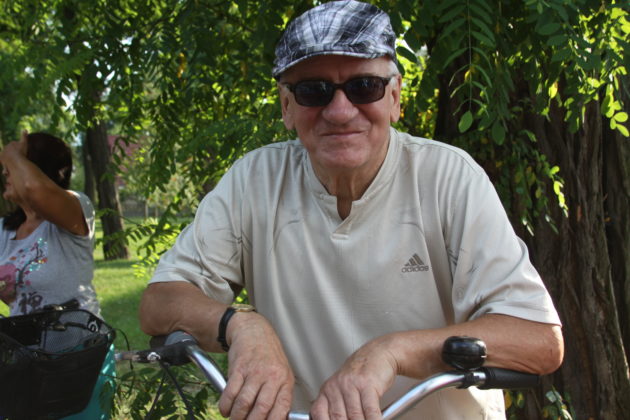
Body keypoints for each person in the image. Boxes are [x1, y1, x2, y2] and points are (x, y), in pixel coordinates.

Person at [139, 1, 564, 419]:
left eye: (365, 87)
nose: (340, 112)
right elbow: (159, 303)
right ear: (286, 107)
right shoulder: (254, 181)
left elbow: (539, 339)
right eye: (313, 91)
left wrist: (392, 352)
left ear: (395, 98)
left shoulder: (448, 178)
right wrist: (241, 326)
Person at [0, 131, 115, 419]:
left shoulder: (76, 209)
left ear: (39, 170)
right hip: (27, 359)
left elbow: (35, 190)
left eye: (13, 166)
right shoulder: (5, 230)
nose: (6, 172)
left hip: (78, 357)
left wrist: (11, 152)